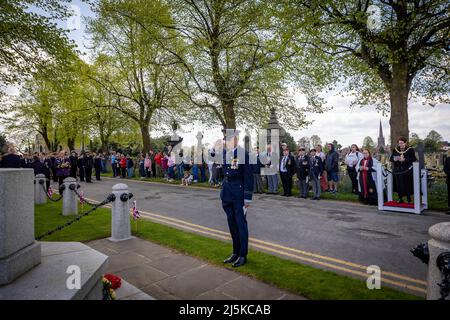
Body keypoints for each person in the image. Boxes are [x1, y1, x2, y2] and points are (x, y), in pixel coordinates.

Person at [221, 130, 253, 268]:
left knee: (240, 225)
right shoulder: (226, 154)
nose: (226, 141)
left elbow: (248, 177)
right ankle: (235, 252)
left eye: (228, 139)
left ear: (236, 139)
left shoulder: (244, 154)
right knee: (232, 225)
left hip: (239, 195)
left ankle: (242, 255)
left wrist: (247, 198)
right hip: (227, 194)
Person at [390, 137, 417, 204]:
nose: (400, 145)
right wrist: (395, 159)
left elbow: (413, 159)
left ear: (405, 143)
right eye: (399, 143)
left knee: (407, 184)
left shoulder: (410, 150)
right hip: (398, 170)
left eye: (402, 143)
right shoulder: (395, 150)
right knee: (399, 184)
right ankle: (400, 198)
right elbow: (391, 159)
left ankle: (408, 199)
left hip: (407, 170)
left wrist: (405, 160)